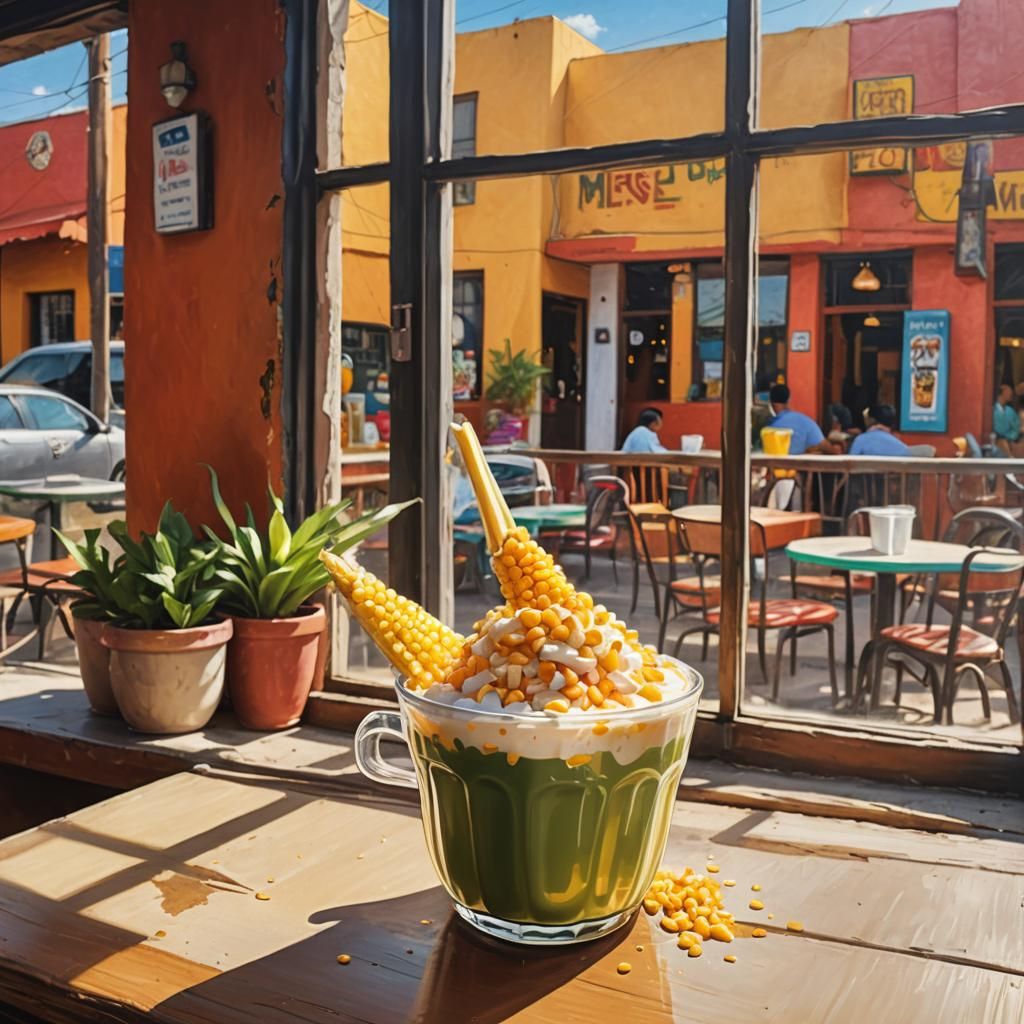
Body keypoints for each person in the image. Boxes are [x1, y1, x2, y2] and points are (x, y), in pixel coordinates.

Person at [766, 384, 835, 455]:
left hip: (777, 465)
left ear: (771, 403)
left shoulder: (768, 430)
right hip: (802, 464)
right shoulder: (805, 421)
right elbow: (826, 447)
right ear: (789, 400)